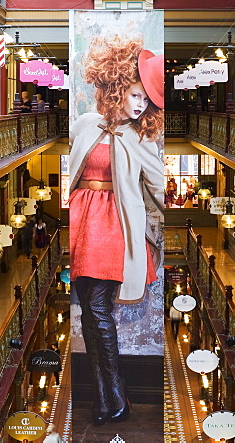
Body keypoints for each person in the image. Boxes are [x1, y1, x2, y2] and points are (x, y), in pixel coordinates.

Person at [69, 36, 164, 426]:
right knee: (92, 310)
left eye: (146, 100)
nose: (140, 104)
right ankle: (109, 388)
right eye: (135, 95)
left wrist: (157, 232)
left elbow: (159, 185)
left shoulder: (141, 138)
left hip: (113, 226)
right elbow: (71, 171)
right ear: (116, 86)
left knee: (96, 307)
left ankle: (110, 393)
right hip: (81, 218)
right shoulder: (86, 124)